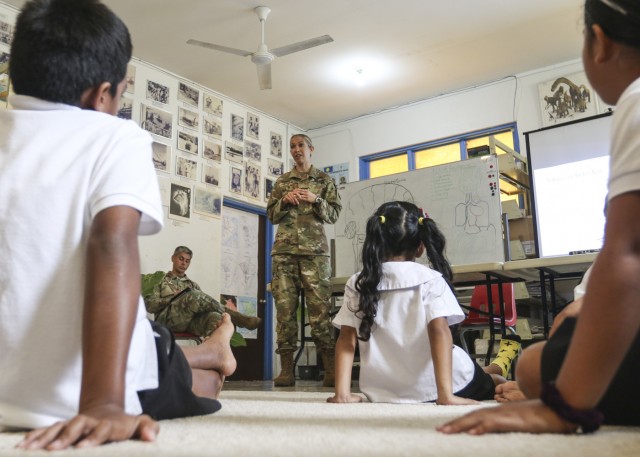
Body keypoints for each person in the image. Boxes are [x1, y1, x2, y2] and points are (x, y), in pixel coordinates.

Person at [0, 0, 236, 450]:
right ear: (101, 94)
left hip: (9, 395)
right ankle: (214, 351)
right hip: (95, 386)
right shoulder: (115, 136)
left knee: (160, 347)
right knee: (195, 384)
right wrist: (105, 402)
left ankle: (210, 351)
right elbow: (111, 245)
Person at [439, 0, 640, 434]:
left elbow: (629, 254)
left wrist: (562, 406)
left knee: (532, 365)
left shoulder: (637, 99)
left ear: (599, 42)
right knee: (538, 360)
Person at [327, 201, 521, 404]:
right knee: (497, 382)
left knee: (483, 373)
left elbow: (346, 339)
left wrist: (342, 394)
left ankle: (496, 366)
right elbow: (440, 332)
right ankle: (497, 368)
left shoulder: (358, 282)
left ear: (376, 241)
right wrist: (446, 396)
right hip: (441, 387)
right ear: (420, 247)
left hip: (385, 392)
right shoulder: (431, 279)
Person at [267, 134, 342, 387]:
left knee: (320, 313)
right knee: (285, 313)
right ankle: (287, 370)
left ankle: (330, 369)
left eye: (301, 146)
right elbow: (271, 215)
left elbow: (333, 215)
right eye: (292, 147)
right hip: (284, 255)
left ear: (311, 149)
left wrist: (316, 199)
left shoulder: (324, 180)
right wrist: (284, 202)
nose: (296, 150)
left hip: (314, 255)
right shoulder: (282, 182)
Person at [145, 246, 262, 336]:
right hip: (166, 322)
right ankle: (238, 318)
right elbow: (149, 306)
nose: (184, 263)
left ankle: (210, 353)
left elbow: (204, 306)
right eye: (181, 259)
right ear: (173, 258)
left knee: (215, 316)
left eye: (187, 261)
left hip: (189, 323)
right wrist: (172, 298)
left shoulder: (192, 285)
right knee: (193, 296)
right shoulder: (160, 280)